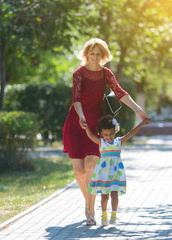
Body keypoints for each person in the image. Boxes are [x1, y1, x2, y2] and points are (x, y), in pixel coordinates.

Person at [62, 38, 150, 225]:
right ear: (87, 54)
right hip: (77, 122)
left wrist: (138, 111)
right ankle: (88, 201)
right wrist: (81, 116)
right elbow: (76, 98)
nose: (94, 57)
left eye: (98, 54)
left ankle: (90, 212)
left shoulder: (105, 73)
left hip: (97, 125)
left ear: (103, 56)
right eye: (92, 54)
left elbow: (119, 92)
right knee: (79, 172)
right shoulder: (79, 73)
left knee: (91, 165)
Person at [84, 115, 151, 226]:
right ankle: (104, 215)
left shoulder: (118, 142)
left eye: (111, 134)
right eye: (106, 135)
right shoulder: (101, 143)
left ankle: (114, 216)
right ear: (101, 134)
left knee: (114, 195)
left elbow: (131, 133)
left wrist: (141, 124)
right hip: (104, 175)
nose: (109, 137)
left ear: (115, 131)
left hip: (115, 174)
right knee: (104, 197)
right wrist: (86, 127)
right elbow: (90, 135)